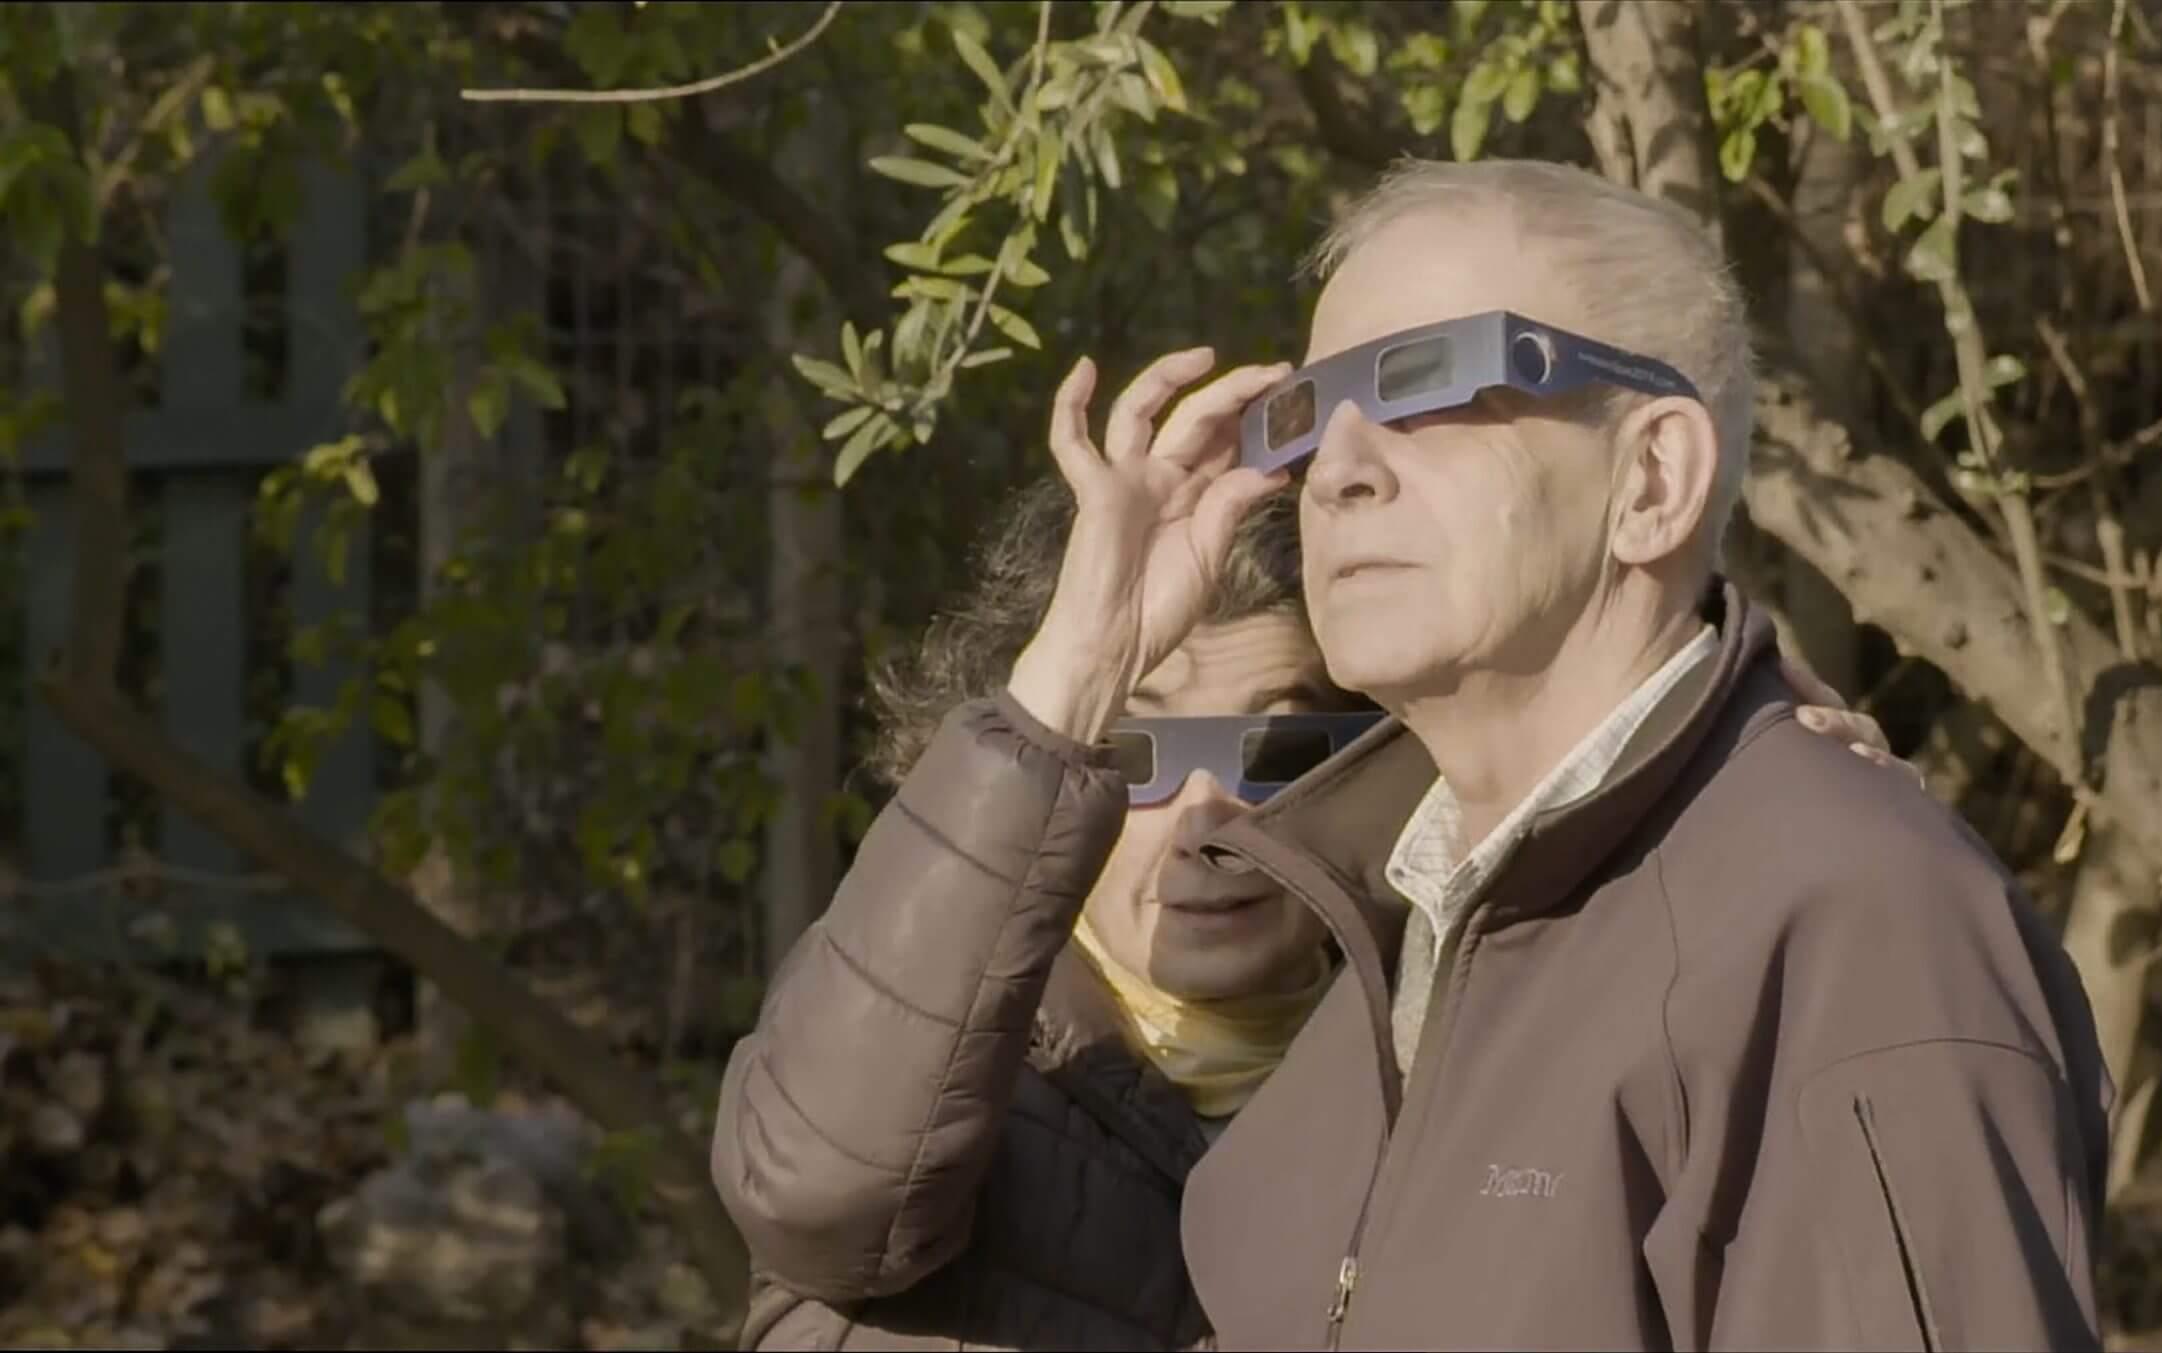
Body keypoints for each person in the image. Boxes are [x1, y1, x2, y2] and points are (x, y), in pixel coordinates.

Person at [710, 348, 1906, 1350]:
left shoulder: (1451, 1073)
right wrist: (1080, 656)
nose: (1202, 818)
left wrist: (1752, 805)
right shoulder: (924, 1051)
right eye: (1128, 753)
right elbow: (823, 1197)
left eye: (1279, 757)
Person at [1175, 158, 2113, 1351]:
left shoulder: (1854, 926)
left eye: (1428, 384)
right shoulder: (1378, 927)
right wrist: (1068, 682)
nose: (1340, 471)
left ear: (1653, 479)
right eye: (1308, 416)